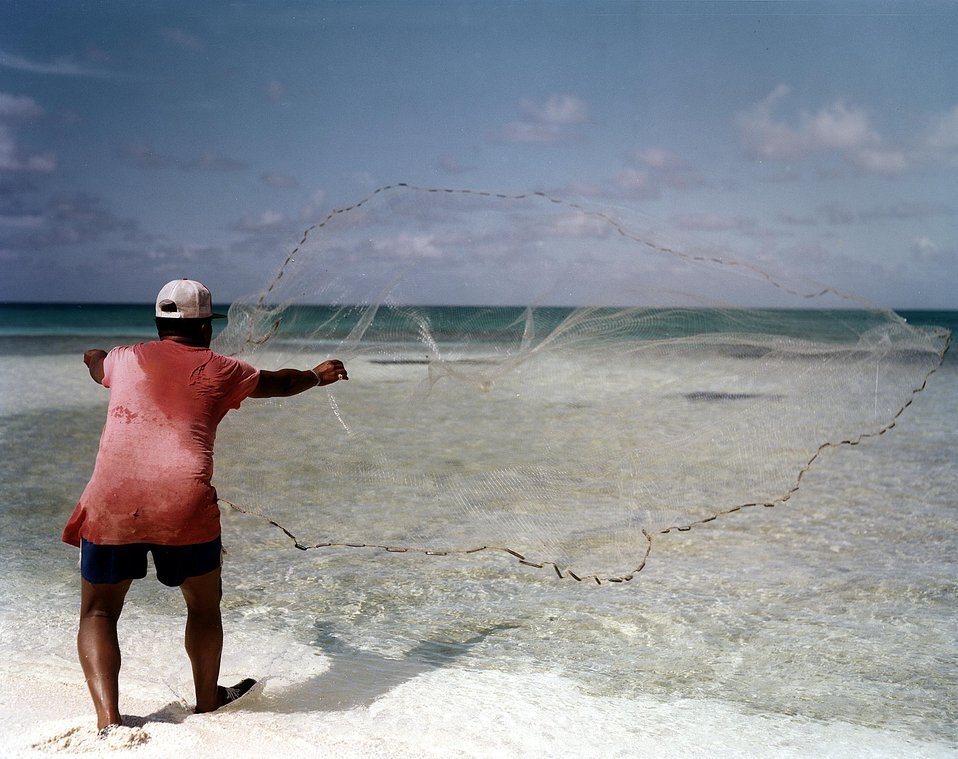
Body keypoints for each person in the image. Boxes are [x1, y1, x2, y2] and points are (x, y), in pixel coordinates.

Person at [61, 278, 347, 732]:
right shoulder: (224, 369)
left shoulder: (123, 360)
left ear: (158, 323)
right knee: (203, 605)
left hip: (112, 501)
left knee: (98, 612)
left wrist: (92, 354)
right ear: (206, 327)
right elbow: (282, 383)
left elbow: (97, 365)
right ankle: (207, 703)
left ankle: (108, 719)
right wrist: (317, 374)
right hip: (183, 503)